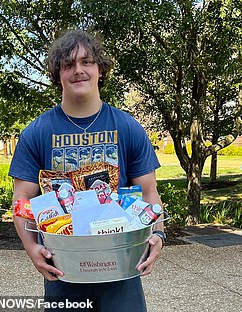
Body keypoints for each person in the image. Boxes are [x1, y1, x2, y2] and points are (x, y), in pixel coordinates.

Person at [9, 29, 165, 312]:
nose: (78, 70)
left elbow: (149, 192)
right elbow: (21, 202)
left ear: (100, 69)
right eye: (68, 65)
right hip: (64, 271)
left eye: (86, 62)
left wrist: (158, 235)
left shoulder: (127, 127)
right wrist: (32, 249)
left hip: (121, 269)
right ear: (57, 74)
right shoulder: (37, 132)